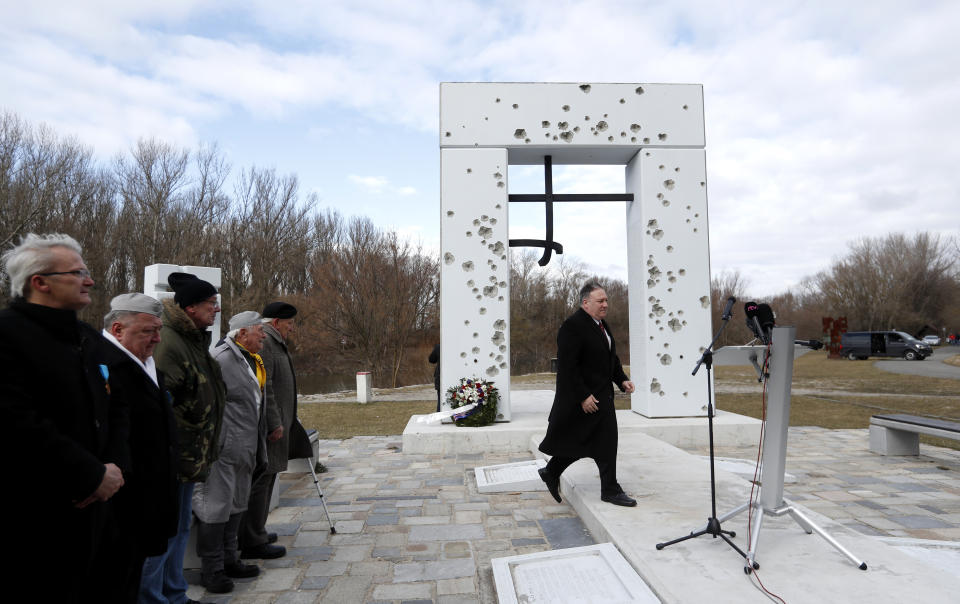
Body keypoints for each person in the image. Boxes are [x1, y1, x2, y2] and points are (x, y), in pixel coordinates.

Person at [0, 233, 128, 602]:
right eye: (77, 273)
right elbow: (16, 422)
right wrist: (89, 475)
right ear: (39, 282)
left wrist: (114, 469)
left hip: (102, 506)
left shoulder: (87, 337)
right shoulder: (7, 335)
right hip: (40, 514)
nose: (89, 280)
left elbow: (117, 404)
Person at [141, 272, 227, 604]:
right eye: (211, 303)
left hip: (193, 455)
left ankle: (174, 593)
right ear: (191, 307)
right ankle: (153, 596)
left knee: (178, 531)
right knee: (165, 534)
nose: (216, 310)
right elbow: (164, 405)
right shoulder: (170, 344)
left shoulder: (193, 338)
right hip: (176, 456)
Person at [100, 293, 179, 602]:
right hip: (120, 505)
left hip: (149, 500)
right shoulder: (101, 364)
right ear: (118, 329)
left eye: (158, 330)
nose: (158, 339)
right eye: (149, 331)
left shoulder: (146, 363)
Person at [537, 281, 637, 507]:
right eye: (600, 301)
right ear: (585, 303)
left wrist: (622, 379)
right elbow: (567, 366)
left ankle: (552, 472)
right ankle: (609, 490)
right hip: (584, 400)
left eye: (606, 300)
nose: (605, 305)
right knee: (591, 441)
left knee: (598, 442)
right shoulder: (572, 326)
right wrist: (583, 395)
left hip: (602, 397)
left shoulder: (602, 325)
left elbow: (611, 359)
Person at [193, 311, 269, 593]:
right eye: (259, 330)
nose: (263, 335)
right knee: (215, 505)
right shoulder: (222, 359)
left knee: (237, 501)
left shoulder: (251, 359)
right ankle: (211, 570)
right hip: (224, 447)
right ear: (241, 335)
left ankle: (230, 558)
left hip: (245, 446)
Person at [237, 301, 304, 560]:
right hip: (271, 426)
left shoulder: (274, 341)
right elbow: (267, 387)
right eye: (289, 324)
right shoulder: (266, 344)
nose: (292, 329)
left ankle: (258, 530)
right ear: (276, 323)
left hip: (279, 423)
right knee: (262, 479)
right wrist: (274, 421)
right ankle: (252, 539)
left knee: (270, 476)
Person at [429, 343, 441, 411]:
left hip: (440, 376)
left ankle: (440, 418)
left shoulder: (439, 346)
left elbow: (431, 359)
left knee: (441, 400)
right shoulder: (458, 345)